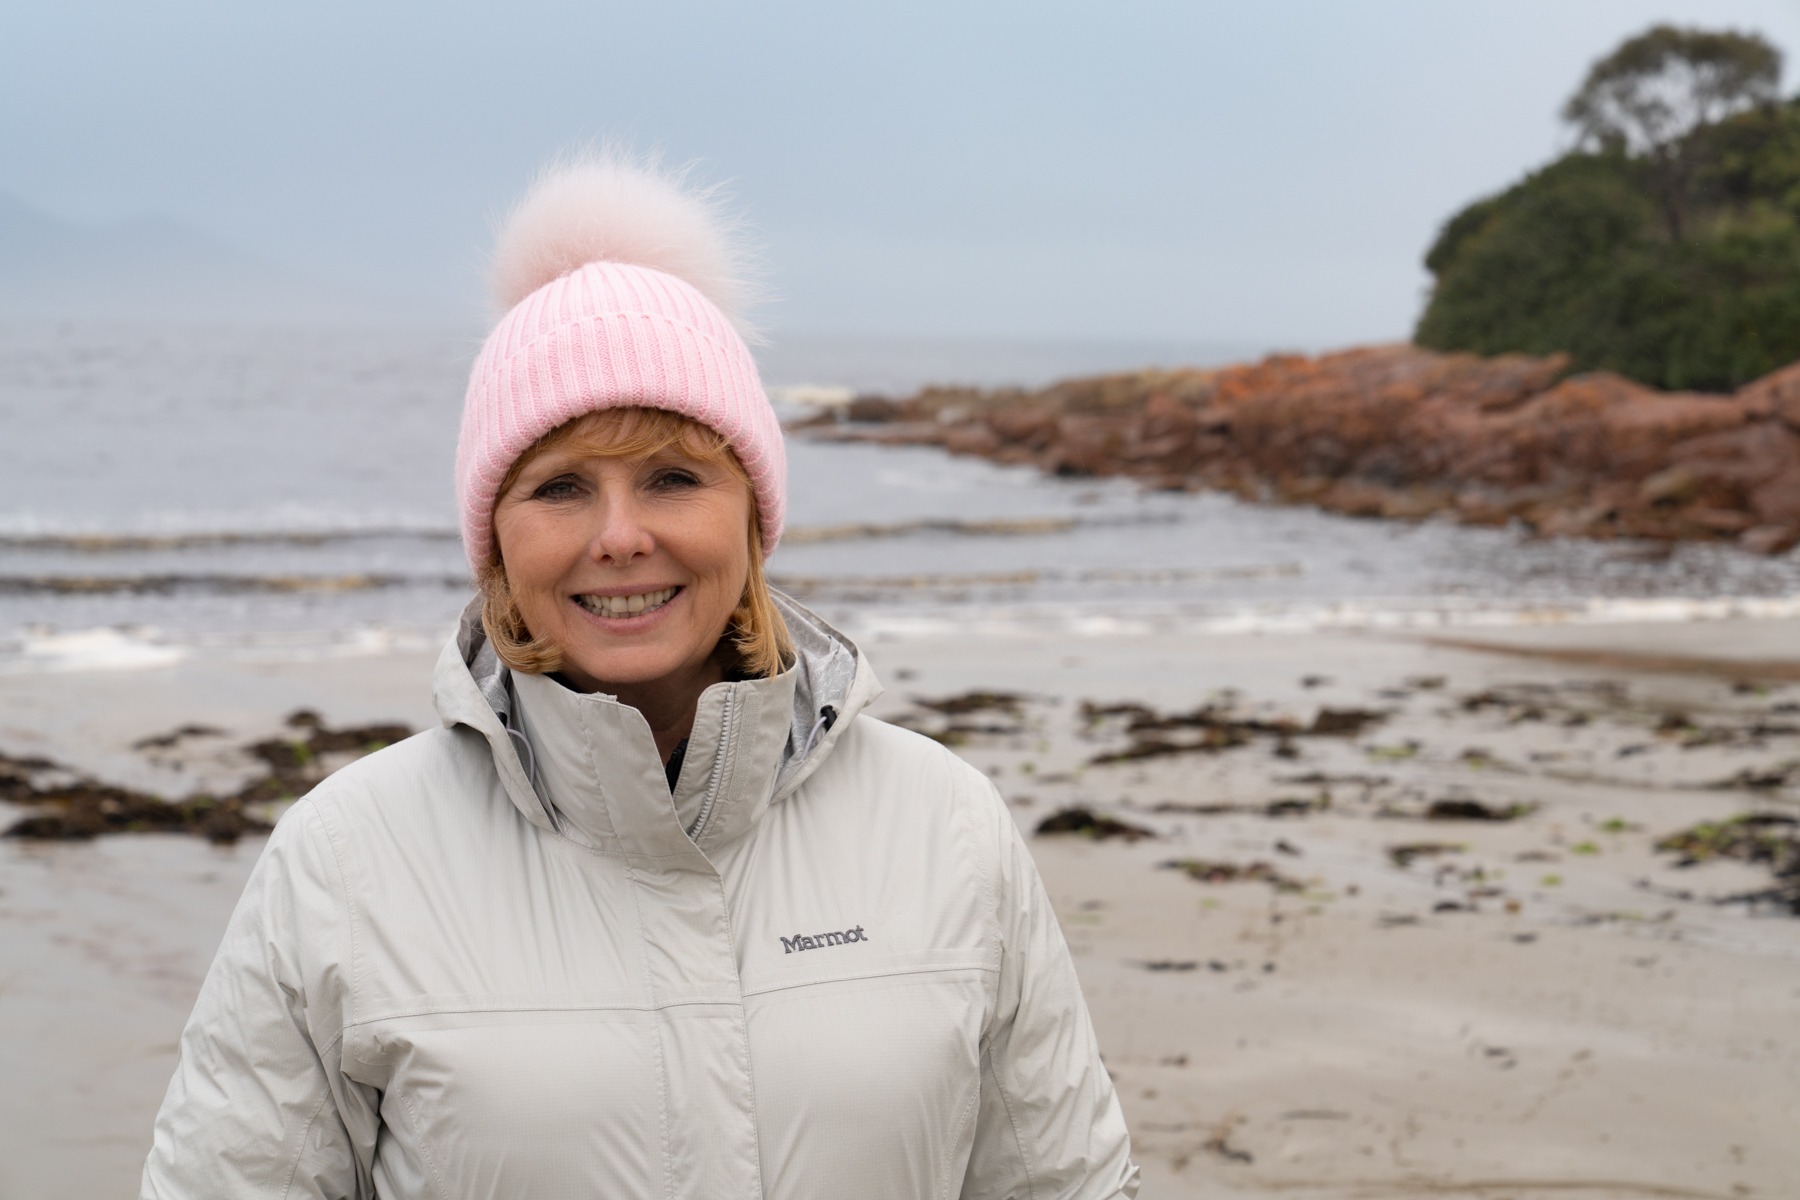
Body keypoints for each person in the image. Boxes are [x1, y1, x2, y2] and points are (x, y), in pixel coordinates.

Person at [140, 156, 1140, 1199]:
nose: (620, 538)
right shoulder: (347, 859)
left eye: (672, 477)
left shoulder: (942, 824)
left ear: (751, 515)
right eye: (561, 487)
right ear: (495, 542)